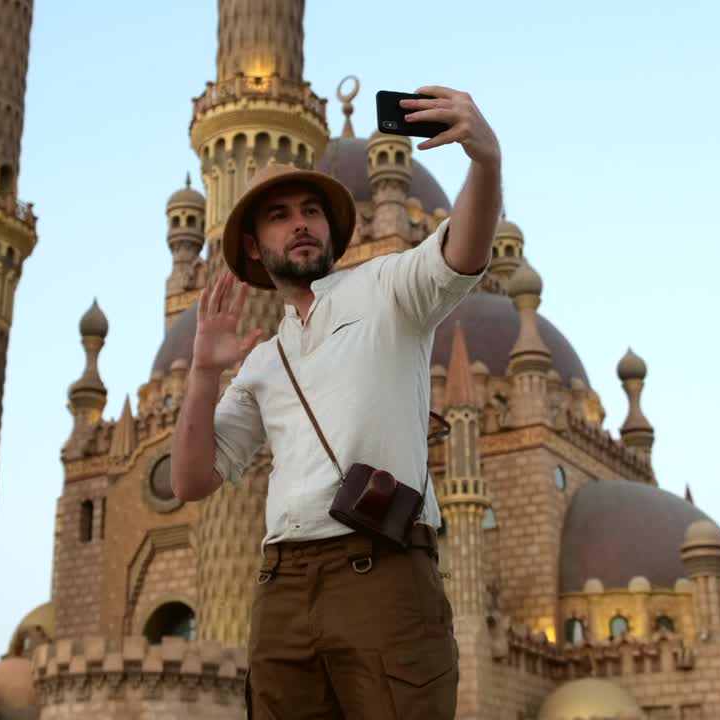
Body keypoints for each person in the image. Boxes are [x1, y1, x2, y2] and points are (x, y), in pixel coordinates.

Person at [171, 86, 502, 719]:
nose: (300, 223)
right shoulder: (263, 359)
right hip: (281, 584)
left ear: (332, 228)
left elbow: (461, 254)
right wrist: (205, 372)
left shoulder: (385, 289)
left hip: (379, 567)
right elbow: (190, 480)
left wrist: (485, 160)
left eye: (311, 211)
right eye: (279, 215)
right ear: (252, 247)